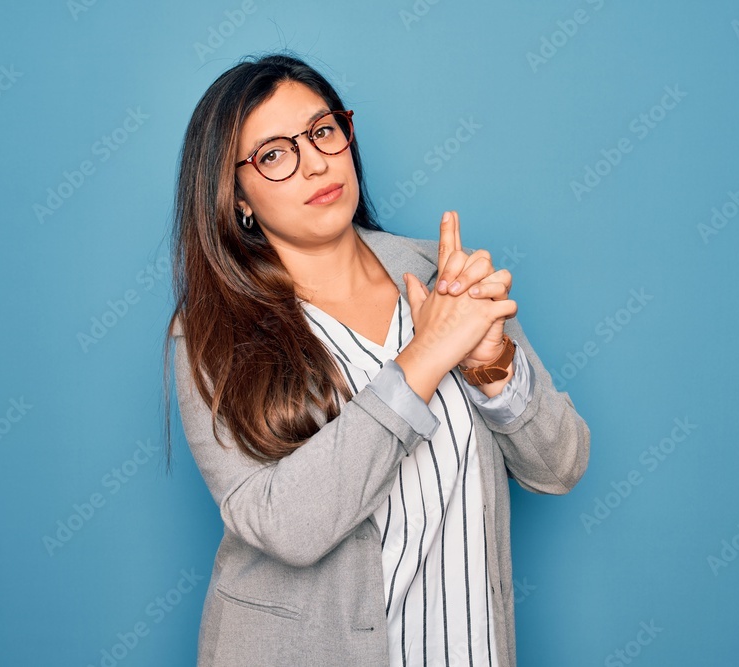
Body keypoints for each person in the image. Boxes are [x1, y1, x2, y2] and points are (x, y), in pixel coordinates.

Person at [164, 52, 590, 667]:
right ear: (237, 200)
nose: (315, 162)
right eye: (275, 155)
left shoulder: (443, 278)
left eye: (323, 131)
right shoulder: (210, 334)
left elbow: (561, 467)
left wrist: (493, 367)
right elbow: (286, 527)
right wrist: (426, 357)